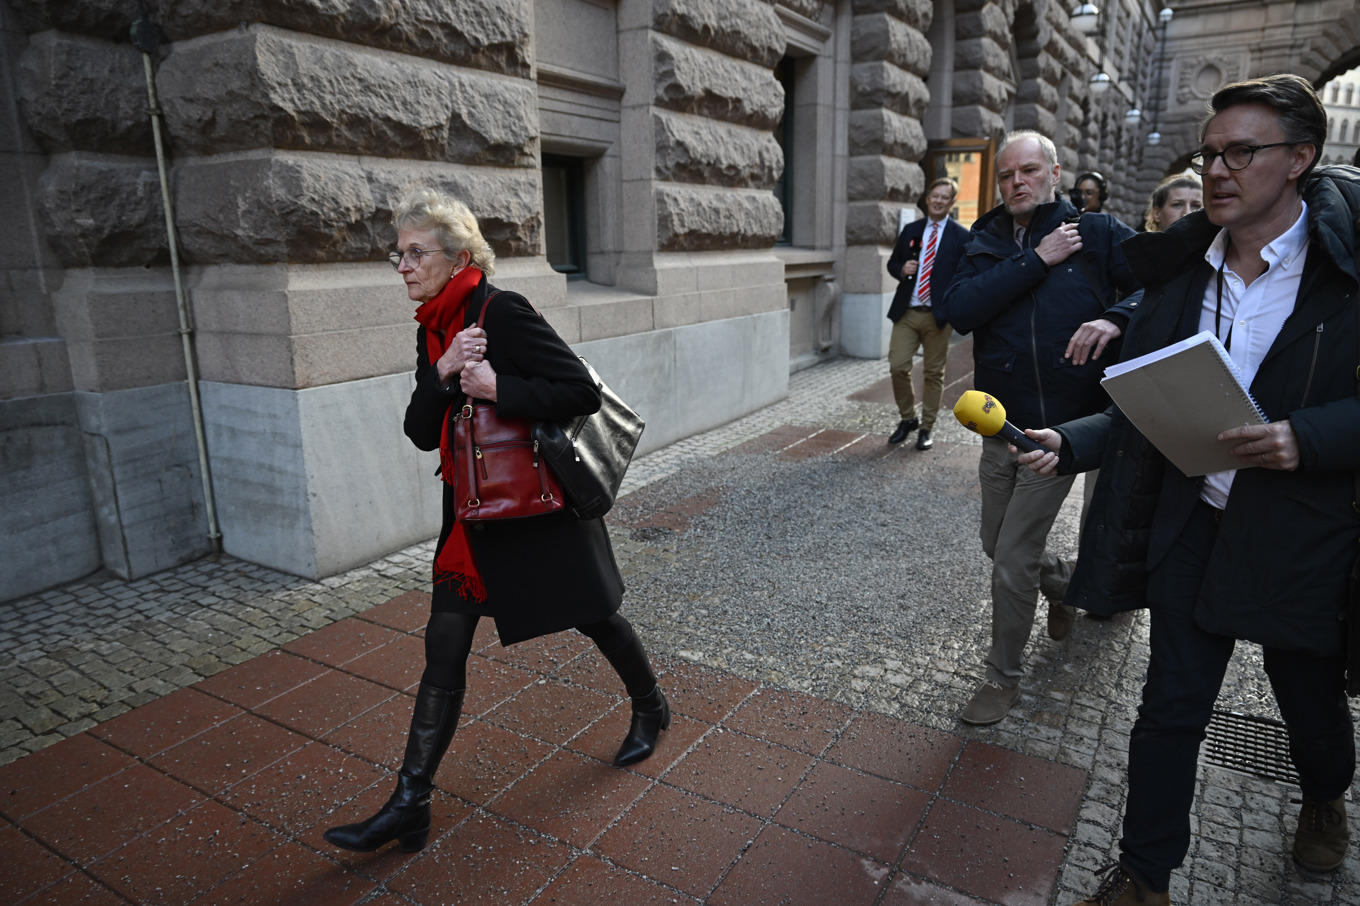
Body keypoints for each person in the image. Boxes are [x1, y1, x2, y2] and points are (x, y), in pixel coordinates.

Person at [1018, 75, 1357, 905]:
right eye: (1211, 153)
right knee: (1169, 708)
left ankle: (1323, 797)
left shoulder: (1345, 272)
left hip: (1302, 533)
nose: (1218, 169)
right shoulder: (1180, 273)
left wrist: (1302, 437)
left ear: (1300, 159)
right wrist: (1072, 442)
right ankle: (1143, 874)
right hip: (1192, 522)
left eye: (1242, 151)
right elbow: (1147, 400)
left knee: (1308, 703)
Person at [324, 188, 669, 854]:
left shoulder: (501, 311)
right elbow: (421, 433)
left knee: (596, 614)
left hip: (535, 511)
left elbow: (579, 390)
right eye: (399, 255)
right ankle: (410, 802)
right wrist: (446, 374)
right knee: (444, 643)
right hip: (473, 518)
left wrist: (497, 389)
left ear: (457, 257)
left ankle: (652, 704)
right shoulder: (433, 329)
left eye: (415, 253)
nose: (403, 266)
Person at [939, 130, 1139, 726]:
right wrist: (1036, 259)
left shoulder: (1097, 233)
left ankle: (1002, 677)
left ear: (1055, 173)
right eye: (1006, 176)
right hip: (999, 421)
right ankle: (1062, 583)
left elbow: (1161, 286)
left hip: (1062, 432)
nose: (1016, 183)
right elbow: (960, 310)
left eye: (1029, 171)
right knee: (995, 545)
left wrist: (1115, 317)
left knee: (1011, 556)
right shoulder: (986, 239)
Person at [884, 177, 970, 449]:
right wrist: (901, 269)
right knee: (898, 366)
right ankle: (908, 418)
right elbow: (893, 262)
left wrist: (953, 305)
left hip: (938, 317)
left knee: (934, 374)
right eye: (935, 195)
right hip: (907, 312)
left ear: (952, 203)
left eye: (945, 197)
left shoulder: (961, 236)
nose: (938, 201)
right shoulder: (912, 229)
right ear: (927, 198)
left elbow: (965, 275)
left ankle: (926, 427)